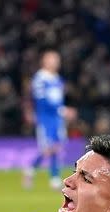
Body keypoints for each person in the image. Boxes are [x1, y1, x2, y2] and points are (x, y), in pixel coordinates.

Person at [23, 50, 67, 191]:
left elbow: (58, 99)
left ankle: (54, 178)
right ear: (45, 61)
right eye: (52, 59)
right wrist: (61, 110)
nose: (56, 62)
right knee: (47, 148)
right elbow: (41, 100)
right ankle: (30, 169)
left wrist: (61, 111)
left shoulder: (58, 79)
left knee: (56, 147)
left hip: (57, 118)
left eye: (57, 59)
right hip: (45, 118)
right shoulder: (40, 78)